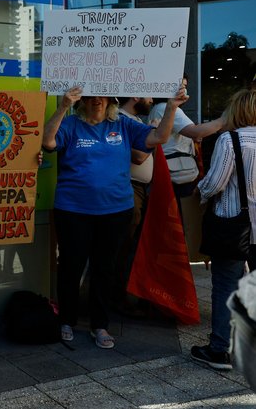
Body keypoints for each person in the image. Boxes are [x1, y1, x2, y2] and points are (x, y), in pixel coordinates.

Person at [42, 86, 187, 349]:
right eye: (89, 95)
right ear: (82, 100)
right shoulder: (71, 123)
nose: (96, 99)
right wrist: (62, 106)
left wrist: (172, 107)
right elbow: (48, 143)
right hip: (73, 210)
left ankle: (100, 325)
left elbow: (158, 138)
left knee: (104, 269)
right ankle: (66, 319)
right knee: (70, 267)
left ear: (110, 98)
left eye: (101, 94)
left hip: (115, 211)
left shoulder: (123, 124)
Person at [190, 89, 256, 370]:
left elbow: (215, 183)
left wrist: (199, 192)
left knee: (226, 286)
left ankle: (220, 350)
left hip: (234, 226)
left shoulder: (230, 140)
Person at [149, 74, 224, 206]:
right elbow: (196, 133)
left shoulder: (159, 107)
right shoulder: (166, 108)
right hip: (178, 174)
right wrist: (225, 120)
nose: (184, 90)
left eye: (185, 87)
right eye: (181, 87)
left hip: (171, 171)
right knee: (185, 216)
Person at [113, 96, 155, 313]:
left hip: (140, 189)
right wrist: (154, 139)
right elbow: (138, 156)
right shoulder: (120, 119)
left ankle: (128, 296)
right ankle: (121, 298)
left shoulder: (136, 121)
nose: (151, 100)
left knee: (133, 245)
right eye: (148, 96)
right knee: (124, 245)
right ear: (136, 96)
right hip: (130, 188)